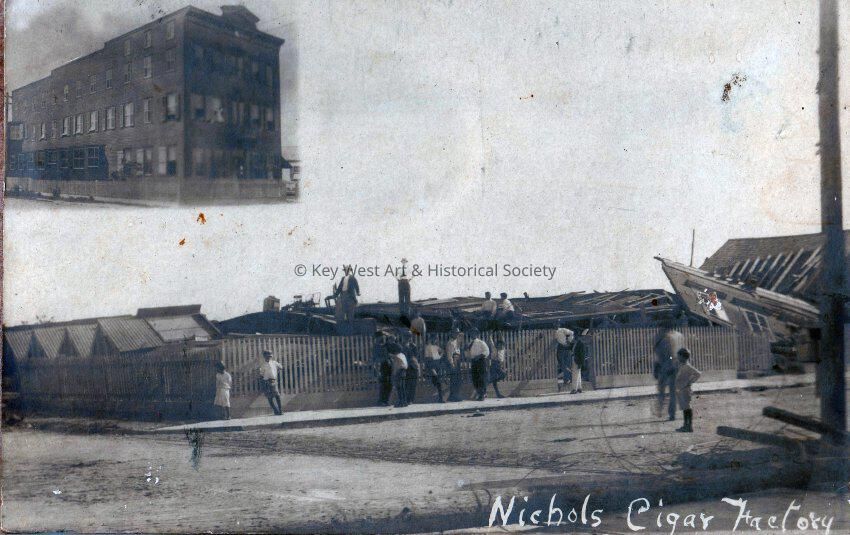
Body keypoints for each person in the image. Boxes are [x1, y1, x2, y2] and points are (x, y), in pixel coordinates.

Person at [653, 326, 684, 421]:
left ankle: (660, 410)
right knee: (673, 392)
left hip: (666, 367)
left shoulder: (664, 338)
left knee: (662, 390)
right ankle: (671, 414)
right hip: (676, 366)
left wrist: (657, 366)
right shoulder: (679, 336)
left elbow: (662, 355)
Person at [675, 348, 701, 433]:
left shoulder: (687, 366)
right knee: (684, 408)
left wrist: (690, 382)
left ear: (683, 357)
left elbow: (698, 374)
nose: (678, 358)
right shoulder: (682, 366)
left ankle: (689, 426)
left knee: (687, 408)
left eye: (679, 356)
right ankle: (686, 425)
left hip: (686, 390)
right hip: (681, 390)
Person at [466, 329, 490, 401]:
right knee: (475, 378)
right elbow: (468, 354)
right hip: (474, 362)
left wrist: (479, 356)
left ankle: (482, 395)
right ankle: (480, 394)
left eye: (474, 333)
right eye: (471, 333)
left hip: (480, 361)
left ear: (477, 334)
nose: (472, 334)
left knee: (481, 378)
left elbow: (487, 351)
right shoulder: (469, 343)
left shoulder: (481, 342)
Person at [259, 349, 283, 415]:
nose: (268, 358)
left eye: (270, 356)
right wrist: (263, 384)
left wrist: (276, 373)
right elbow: (261, 375)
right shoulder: (263, 365)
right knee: (270, 397)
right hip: (266, 382)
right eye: (267, 356)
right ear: (264, 357)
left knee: (277, 395)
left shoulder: (274, 363)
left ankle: (280, 410)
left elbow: (281, 367)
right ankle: (275, 410)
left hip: (273, 381)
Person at [424, 334, 446, 402]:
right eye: (433, 339)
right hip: (431, 366)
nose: (434, 340)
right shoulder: (428, 347)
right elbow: (427, 358)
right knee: (437, 380)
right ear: (430, 339)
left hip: (437, 366)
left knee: (437, 381)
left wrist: (439, 356)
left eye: (435, 339)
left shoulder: (437, 347)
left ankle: (440, 398)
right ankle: (440, 398)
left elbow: (442, 353)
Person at [373, 331, 392, 406]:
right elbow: (376, 359)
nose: (383, 337)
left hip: (388, 366)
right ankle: (381, 401)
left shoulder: (385, 345)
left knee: (389, 384)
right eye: (382, 336)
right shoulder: (376, 347)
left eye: (384, 336)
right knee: (383, 384)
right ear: (378, 338)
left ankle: (386, 401)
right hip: (382, 366)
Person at [388, 341, 408, 407]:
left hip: (399, 372)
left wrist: (394, 374)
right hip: (404, 371)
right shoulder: (402, 355)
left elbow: (396, 366)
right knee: (403, 387)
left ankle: (400, 402)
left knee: (399, 388)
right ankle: (404, 402)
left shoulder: (396, 357)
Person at [446, 330, 464, 402]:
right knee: (454, 379)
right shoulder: (450, 343)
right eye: (455, 333)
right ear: (452, 334)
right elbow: (449, 354)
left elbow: (462, 335)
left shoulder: (457, 341)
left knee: (457, 379)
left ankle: (455, 395)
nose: (456, 334)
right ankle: (453, 396)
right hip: (454, 360)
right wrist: (452, 363)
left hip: (457, 360)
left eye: (457, 333)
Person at [555, 324, 574, 392]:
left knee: (563, 363)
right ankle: (567, 378)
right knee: (562, 364)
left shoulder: (562, 330)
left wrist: (569, 341)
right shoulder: (555, 331)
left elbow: (571, 333)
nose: (555, 325)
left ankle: (569, 377)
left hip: (563, 347)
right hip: (561, 347)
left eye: (556, 324)